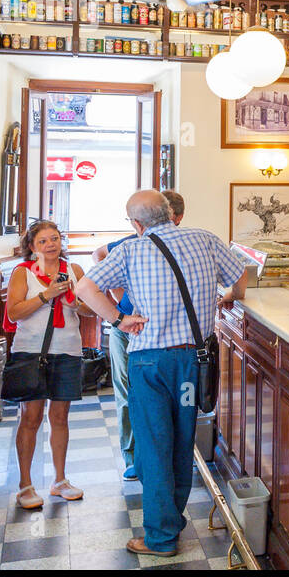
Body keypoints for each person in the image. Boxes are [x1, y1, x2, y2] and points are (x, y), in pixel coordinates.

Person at [76, 190, 248, 557]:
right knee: (183, 441)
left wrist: (119, 319)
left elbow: (85, 287)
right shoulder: (205, 239)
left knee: (154, 446)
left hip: (149, 364)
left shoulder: (130, 249)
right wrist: (229, 295)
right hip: (191, 363)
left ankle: (160, 537)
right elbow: (241, 276)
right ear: (170, 213)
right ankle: (172, 519)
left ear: (137, 223)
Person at [91, 189, 186, 481]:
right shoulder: (131, 244)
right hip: (128, 329)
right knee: (127, 393)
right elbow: (97, 256)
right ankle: (134, 457)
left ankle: (158, 459)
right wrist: (120, 303)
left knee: (159, 400)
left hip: (162, 334)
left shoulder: (186, 245)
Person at [5, 219, 95, 510]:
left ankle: (60, 479)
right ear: (32, 247)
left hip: (67, 349)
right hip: (30, 350)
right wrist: (46, 296)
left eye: (54, 238)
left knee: (60, 417)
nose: (51, 245)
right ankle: (25, 484)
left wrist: (73, 303)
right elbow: (15, 312)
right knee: (30, 417)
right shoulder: (22, 273)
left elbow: (90, 309)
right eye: (43, 241)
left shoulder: (74, 270)